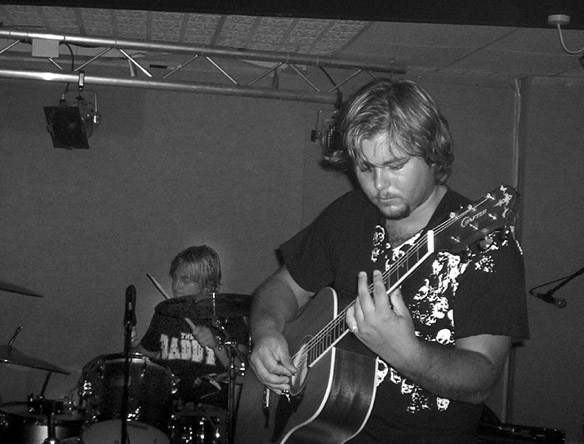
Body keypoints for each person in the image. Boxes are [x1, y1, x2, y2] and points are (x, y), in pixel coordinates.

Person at [245, 78, 529, 444]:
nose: (379, 185)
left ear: (432, 153)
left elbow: (482, 377)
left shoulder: (486, 243)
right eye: (366, 168)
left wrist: (406, 352)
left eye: (395, 165)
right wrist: (266, 332)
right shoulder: (348, 215)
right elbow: (282, 287)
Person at [136, 245, 249, 407]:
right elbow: (144, 353)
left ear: (207, 284)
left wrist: (216, 343)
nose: (176, 285)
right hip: (169, 405)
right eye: (175, 278)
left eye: (185, 280)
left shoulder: (230, 316)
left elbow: (243, 370)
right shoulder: (166, 313)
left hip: (212, 407)